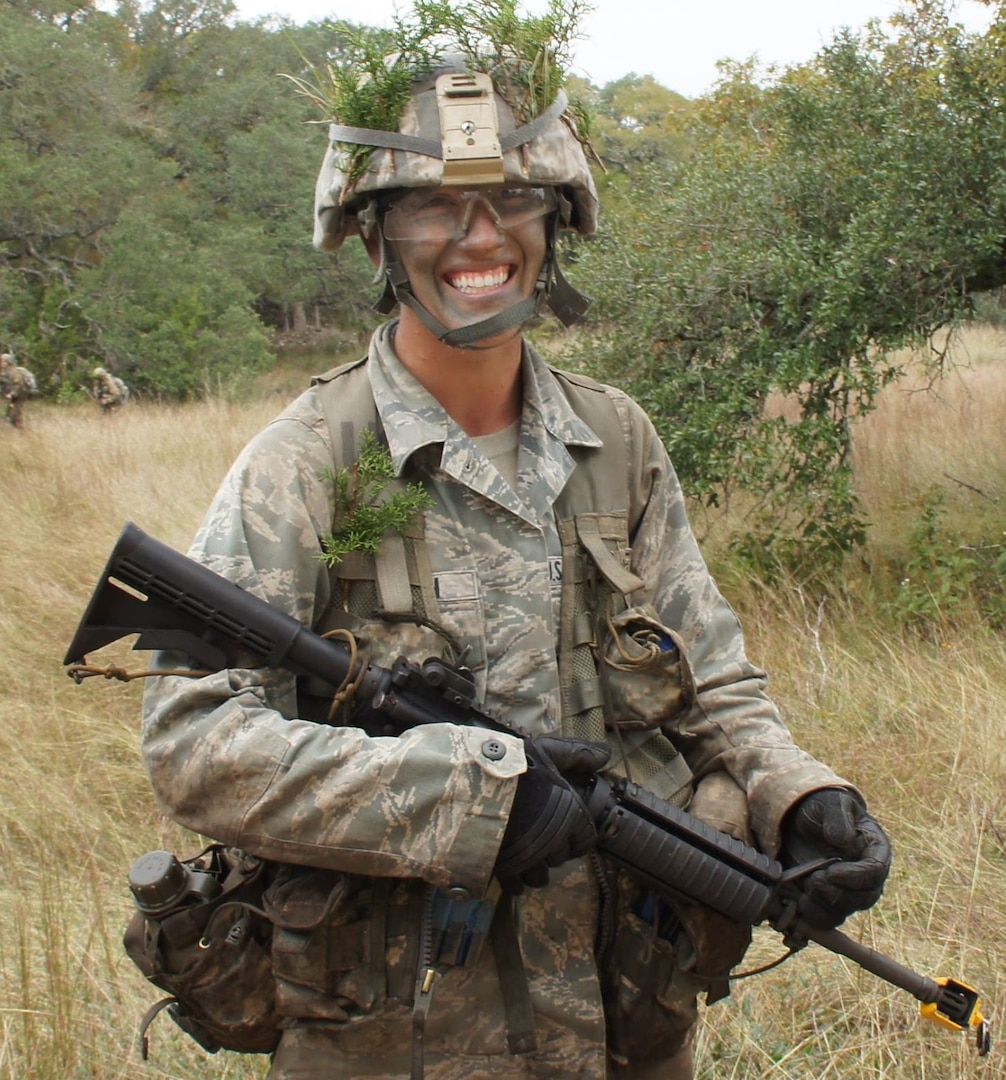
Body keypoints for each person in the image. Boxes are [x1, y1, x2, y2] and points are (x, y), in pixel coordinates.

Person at [140, 52, 892, 1080]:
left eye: (510, 203)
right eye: (431, 211)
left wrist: (797, 794)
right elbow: (196, 741)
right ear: (375, 235)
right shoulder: (306, 461)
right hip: (396, 1040)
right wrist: (468, 793)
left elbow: (712, 680)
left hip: (627, 1020)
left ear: (556, 225)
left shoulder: (614, 439)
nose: (478, 239)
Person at [0, 350, 38, 428]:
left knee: (15, 413)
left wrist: (11, 394)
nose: (1, 363)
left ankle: (20, 430)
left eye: (3, 361)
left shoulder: (14, 372)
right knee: (10, 413)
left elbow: (18, 385)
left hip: (20, 395)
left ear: (8, 362)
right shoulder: (5, 372)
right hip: (14, 396)